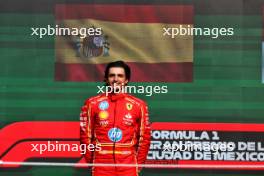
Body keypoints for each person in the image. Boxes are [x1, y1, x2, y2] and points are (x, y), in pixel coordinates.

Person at [80, 60, 151, 176]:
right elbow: (85, 137)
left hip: (128, 166)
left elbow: (145, 139)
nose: (116, 79)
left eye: (120, 76)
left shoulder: (139, 105)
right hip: (100, 166)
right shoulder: (92, 103)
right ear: (106, 79)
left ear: (126, 80)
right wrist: (91, 163)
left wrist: (138, 165)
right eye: (112, 75)